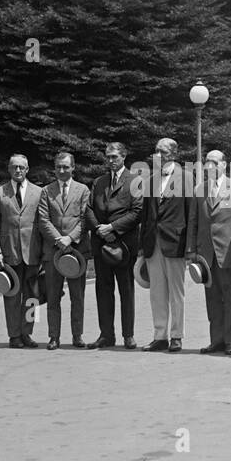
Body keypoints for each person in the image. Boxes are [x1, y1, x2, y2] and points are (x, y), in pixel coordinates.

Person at [186, 148, 231, 355]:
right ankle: (216, 340)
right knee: (211, 298)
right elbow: (193, 221)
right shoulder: (199, 190)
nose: (209, 166)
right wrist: (191, 250)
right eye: (206, 162)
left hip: (227, 252)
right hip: (205, 255)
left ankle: (230, 340)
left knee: (230, 297)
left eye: (214, 162)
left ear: (224, 165)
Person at [87, 142, 142, 349]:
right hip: (101, 243)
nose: (111, 160)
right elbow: (89, 209)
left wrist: (112, 228)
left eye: (114, 157)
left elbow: (137, 212)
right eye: (108, 157)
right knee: (103, 289)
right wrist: (100, 229)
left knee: (126, 289)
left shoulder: (135, 181)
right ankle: (106, 335)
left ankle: (128, 334)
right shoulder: (99, 182)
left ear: (124, 157)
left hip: (125, 245)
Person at [138, 138, 190, 352]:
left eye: (162, 151)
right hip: (154, 242)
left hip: (175, 241)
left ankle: (177, 335)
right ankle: (160, 335)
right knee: (157, 291)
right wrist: (142, 245)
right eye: (156, 151)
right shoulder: (150, 180)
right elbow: (146, 214)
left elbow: (190, 212)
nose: (157, 155)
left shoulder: (186, 177)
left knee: (176, 292)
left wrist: (190, 246)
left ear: (173, 153)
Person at [0, 153, 43, 348]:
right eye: (14, 167)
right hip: (8, 253)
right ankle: (14, 335)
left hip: (33, 253)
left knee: (33, 297)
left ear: (27, 169)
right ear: (8, 169)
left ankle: (27, 333)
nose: (18, 170)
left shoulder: (39, 192)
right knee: (11, 296)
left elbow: (43, 224)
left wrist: (44, 253)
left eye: (21, 167)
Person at [37, 151, 91, 350]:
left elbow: (86, 219)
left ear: (73, 168)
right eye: (58, 167)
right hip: (53, 252)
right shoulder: (46, 191)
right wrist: (59, 240)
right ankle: (54, 337)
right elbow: (43, 220)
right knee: (52, 296)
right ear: (54, 168)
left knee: (77, 297)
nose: (62, 170)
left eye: (66, 167)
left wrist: (70, 238)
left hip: (76, 252)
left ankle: (77, 335)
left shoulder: (83, 190)